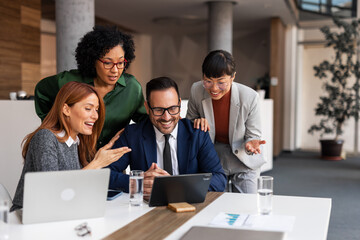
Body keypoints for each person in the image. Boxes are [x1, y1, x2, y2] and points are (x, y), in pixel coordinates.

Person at [11, 82, 131, 211]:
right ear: (66, 109)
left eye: (96, 110)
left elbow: (73, 191)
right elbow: (52, 191)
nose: (95, 116)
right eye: (88, 108)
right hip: (27, 216)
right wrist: (97, 164)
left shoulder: (77, 142)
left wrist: (100, 160)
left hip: (59, 213)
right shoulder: (46, 137)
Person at [108, 77, 226, 196]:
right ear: (147, 108)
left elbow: (219, 180)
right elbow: (106, 174)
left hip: (187, 205)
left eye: (172, 108)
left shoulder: (197, 134)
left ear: (180, 104)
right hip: (146, 208)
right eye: (159, 110)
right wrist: (137, 182)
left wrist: (178, 185)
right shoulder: (132, 135)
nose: (166, 117)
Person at [34, 26, 147, 149]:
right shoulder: (69, 81)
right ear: (93, 60)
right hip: (75, 153)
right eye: (108, 63)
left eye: (120, 63)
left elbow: (143, 122)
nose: (115, 70)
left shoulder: (132, 88)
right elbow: (41, 91)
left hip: (109, 157)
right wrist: (58, 129)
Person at [186, 50, 266, 193]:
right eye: (208, 81)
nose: (214, 88)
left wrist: (251, 142)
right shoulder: (196, 90)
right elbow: (189, 124)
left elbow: (253, 134)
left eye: (221, 82)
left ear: (233, 77)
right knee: (211, 206)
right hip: (213, 159)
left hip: (243, 159)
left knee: (247, 206)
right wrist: (196, 123)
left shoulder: (250, 97)